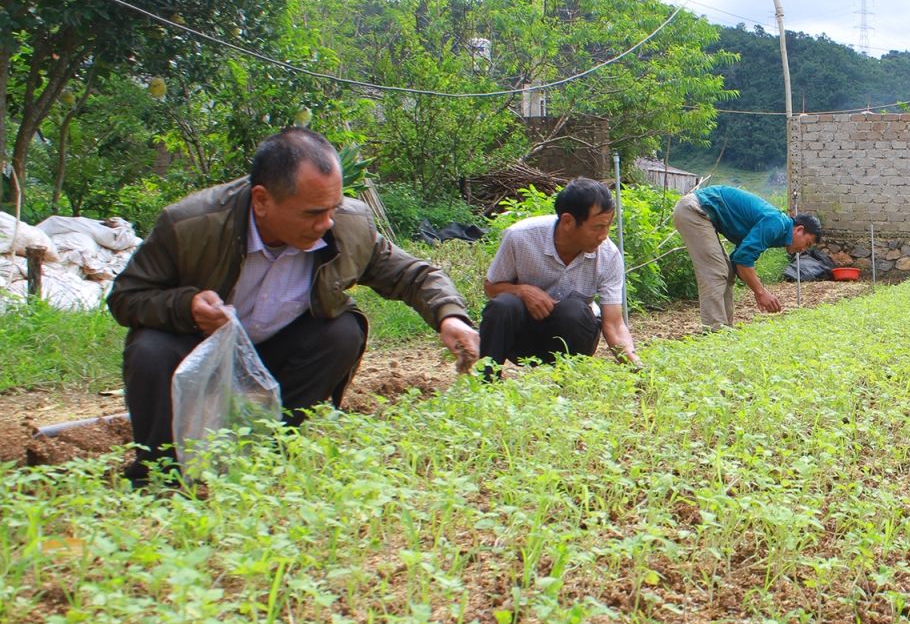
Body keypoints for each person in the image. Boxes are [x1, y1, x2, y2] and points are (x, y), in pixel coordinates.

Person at [108, 128, 479, 479]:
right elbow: (127, 297)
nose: (326, 222)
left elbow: (414, 274)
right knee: (149, 348)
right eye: (312, 213)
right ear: (262, 200)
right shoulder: (191, 225)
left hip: (278, 355)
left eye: (333, 207)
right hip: (199, 351)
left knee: (341, 332)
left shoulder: (347, 226)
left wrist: (450, 317)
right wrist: (186, 306)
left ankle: (267, 450)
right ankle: (160, 470)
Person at [480, 177, 640, 371]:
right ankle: (485, 382)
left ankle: (568, 382)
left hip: (574, 334)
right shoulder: (520, 237)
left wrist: (636, 365)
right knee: (502, 306)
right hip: (522, 336)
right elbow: (490, 287)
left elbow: (613, 323)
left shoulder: (608, 255)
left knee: (573, 311)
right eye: (597, 227)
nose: (604, 235)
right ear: (567, 221)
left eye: (608, 226)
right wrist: (521, 290)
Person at [670, 184, 821, 331]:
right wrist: (760, 292)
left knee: (727, 272)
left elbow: (738, 260)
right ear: (799, 230)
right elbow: (743, 260)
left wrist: (757, 288)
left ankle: (725, 328)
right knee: (715, 271)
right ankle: (715, 331)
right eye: (807, 243)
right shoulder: (776, 224)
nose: (802, 250)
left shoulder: (779, 230)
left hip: (702, 214)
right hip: (695, 210)